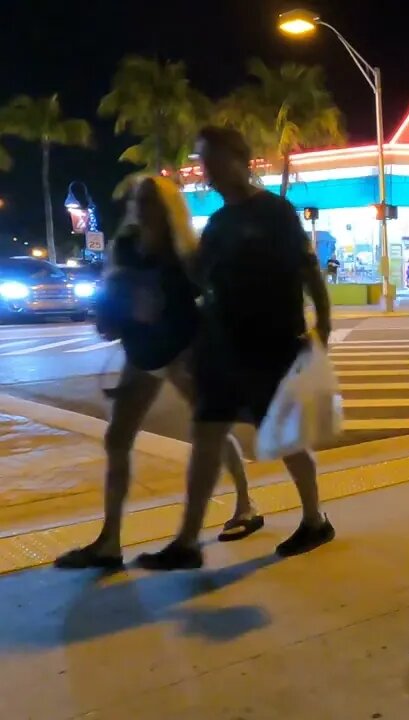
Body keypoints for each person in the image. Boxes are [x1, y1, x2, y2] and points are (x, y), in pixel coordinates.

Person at [136, 126, 335, 571]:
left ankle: (314, 519)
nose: (206, 170)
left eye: (212, 159)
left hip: (272, 344)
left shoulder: (276, 213)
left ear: (240, 158)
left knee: (286, 438)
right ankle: (186, 541)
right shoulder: (219, 224)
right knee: (207, 436)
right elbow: (200, 278)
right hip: (224, 347)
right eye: (203, 161)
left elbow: (308, 269)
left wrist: (323, 323)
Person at [54, 176, 262, 570]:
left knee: (211, 431)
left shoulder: (185, 248)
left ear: (169, 207)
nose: (141, 205)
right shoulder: (127, 244)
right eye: (138, 198)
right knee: (118, 439)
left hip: (183, 350)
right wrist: (110, 316)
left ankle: (246, 504)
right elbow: (112, 291)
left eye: (150, 199)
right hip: (141, 353)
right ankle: (110, 541)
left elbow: (212, 294)